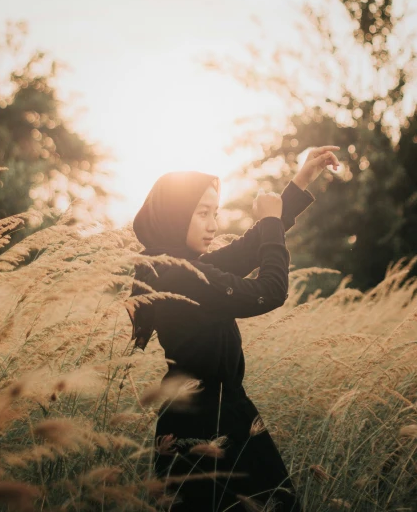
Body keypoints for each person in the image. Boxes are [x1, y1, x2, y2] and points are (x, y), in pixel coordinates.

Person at [127, 145, 340, 511]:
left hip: (213, 414)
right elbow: (270, 292)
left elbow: (246, 249)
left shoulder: (172, 265)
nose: (214, 224)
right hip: (208, 422)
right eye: (202, 213)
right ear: (176, 216)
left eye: (216, 212)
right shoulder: (180, 274)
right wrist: (272, 223)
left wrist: (300, 181)